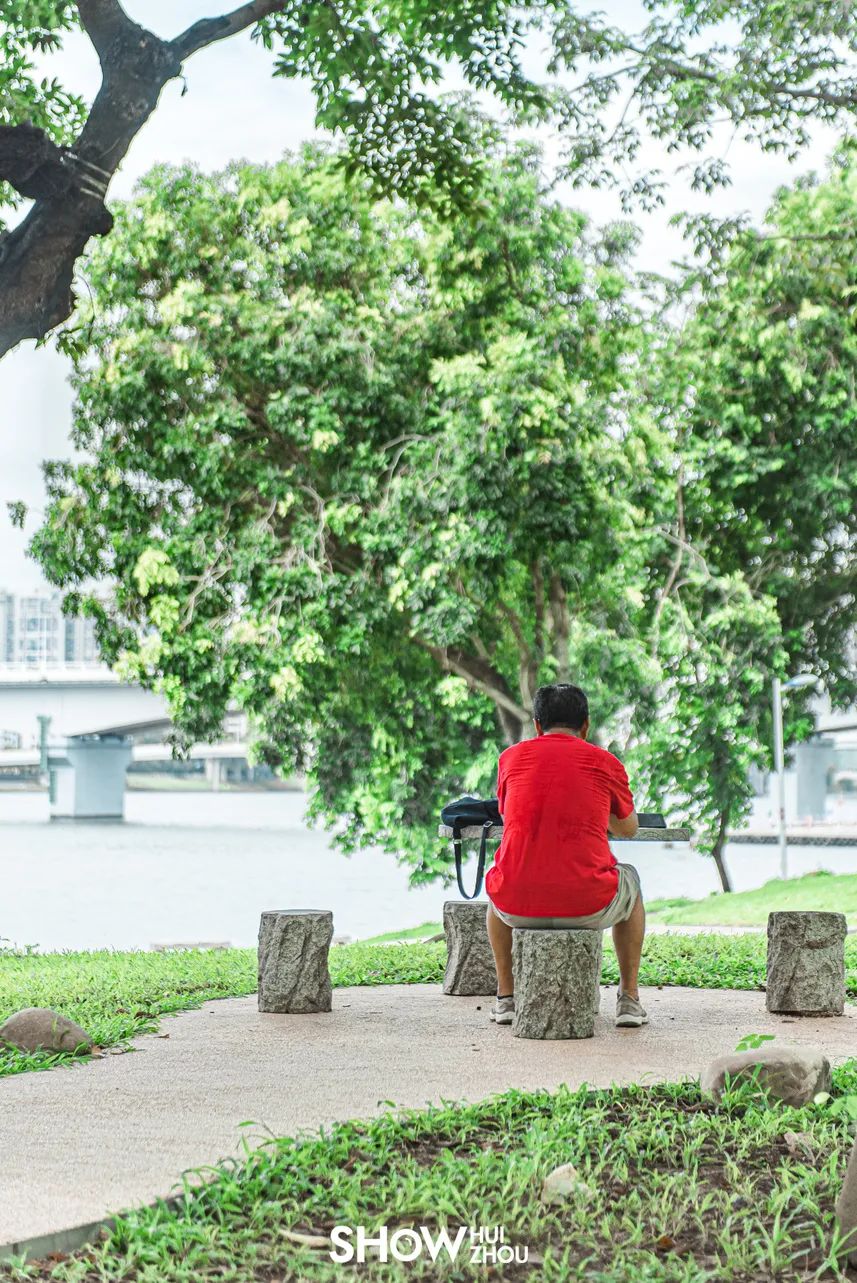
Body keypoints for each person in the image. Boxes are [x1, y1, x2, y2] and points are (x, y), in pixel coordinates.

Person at [484, 682, 647, 1029]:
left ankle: (505, 999)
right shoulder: (606, 763)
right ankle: (629, 1000)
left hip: (517, 907)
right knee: (630, 878)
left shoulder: (509, 759)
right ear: (585, 725)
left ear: (538, 725)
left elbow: (506, 811)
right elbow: (628, 828)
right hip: (589, 903)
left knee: (498, 889)